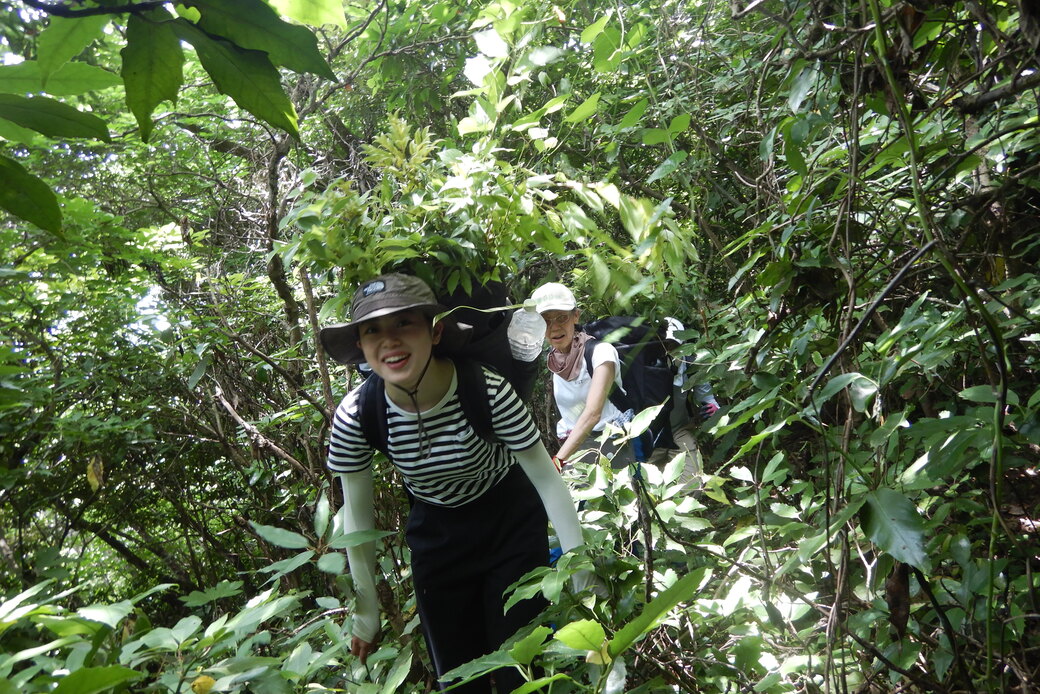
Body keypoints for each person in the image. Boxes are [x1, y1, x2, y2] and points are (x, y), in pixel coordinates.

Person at [320, 273, 586, 694]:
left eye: (404, 323)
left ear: (435, 330)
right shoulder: (357, 415)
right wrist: (365, 611)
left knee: (523, 668)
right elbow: (358, 520)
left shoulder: (486, 388)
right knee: (460, 679)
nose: (388, 341)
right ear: (359, 344)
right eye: (372, 330)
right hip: (438, 535)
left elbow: (545, 479)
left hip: (511, 523)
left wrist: (580, 567)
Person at [531, 282, 635, 469]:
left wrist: (557, 462)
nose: (554, 328)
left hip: (611, 444)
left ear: (575, 316)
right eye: (546, 321)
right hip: (577, 448)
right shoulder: (557, 360)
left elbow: (593, 414)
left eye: (561, 318)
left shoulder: (601, 353)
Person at [647, 317, 721, 485]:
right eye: (665, 345)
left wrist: (713, 409)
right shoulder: (643, 366)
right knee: (644, 489)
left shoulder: (691, 363)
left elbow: (707, 398)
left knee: (692, 482)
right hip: (647, 435)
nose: (669, 350)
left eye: (673, 346)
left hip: (678, 429)